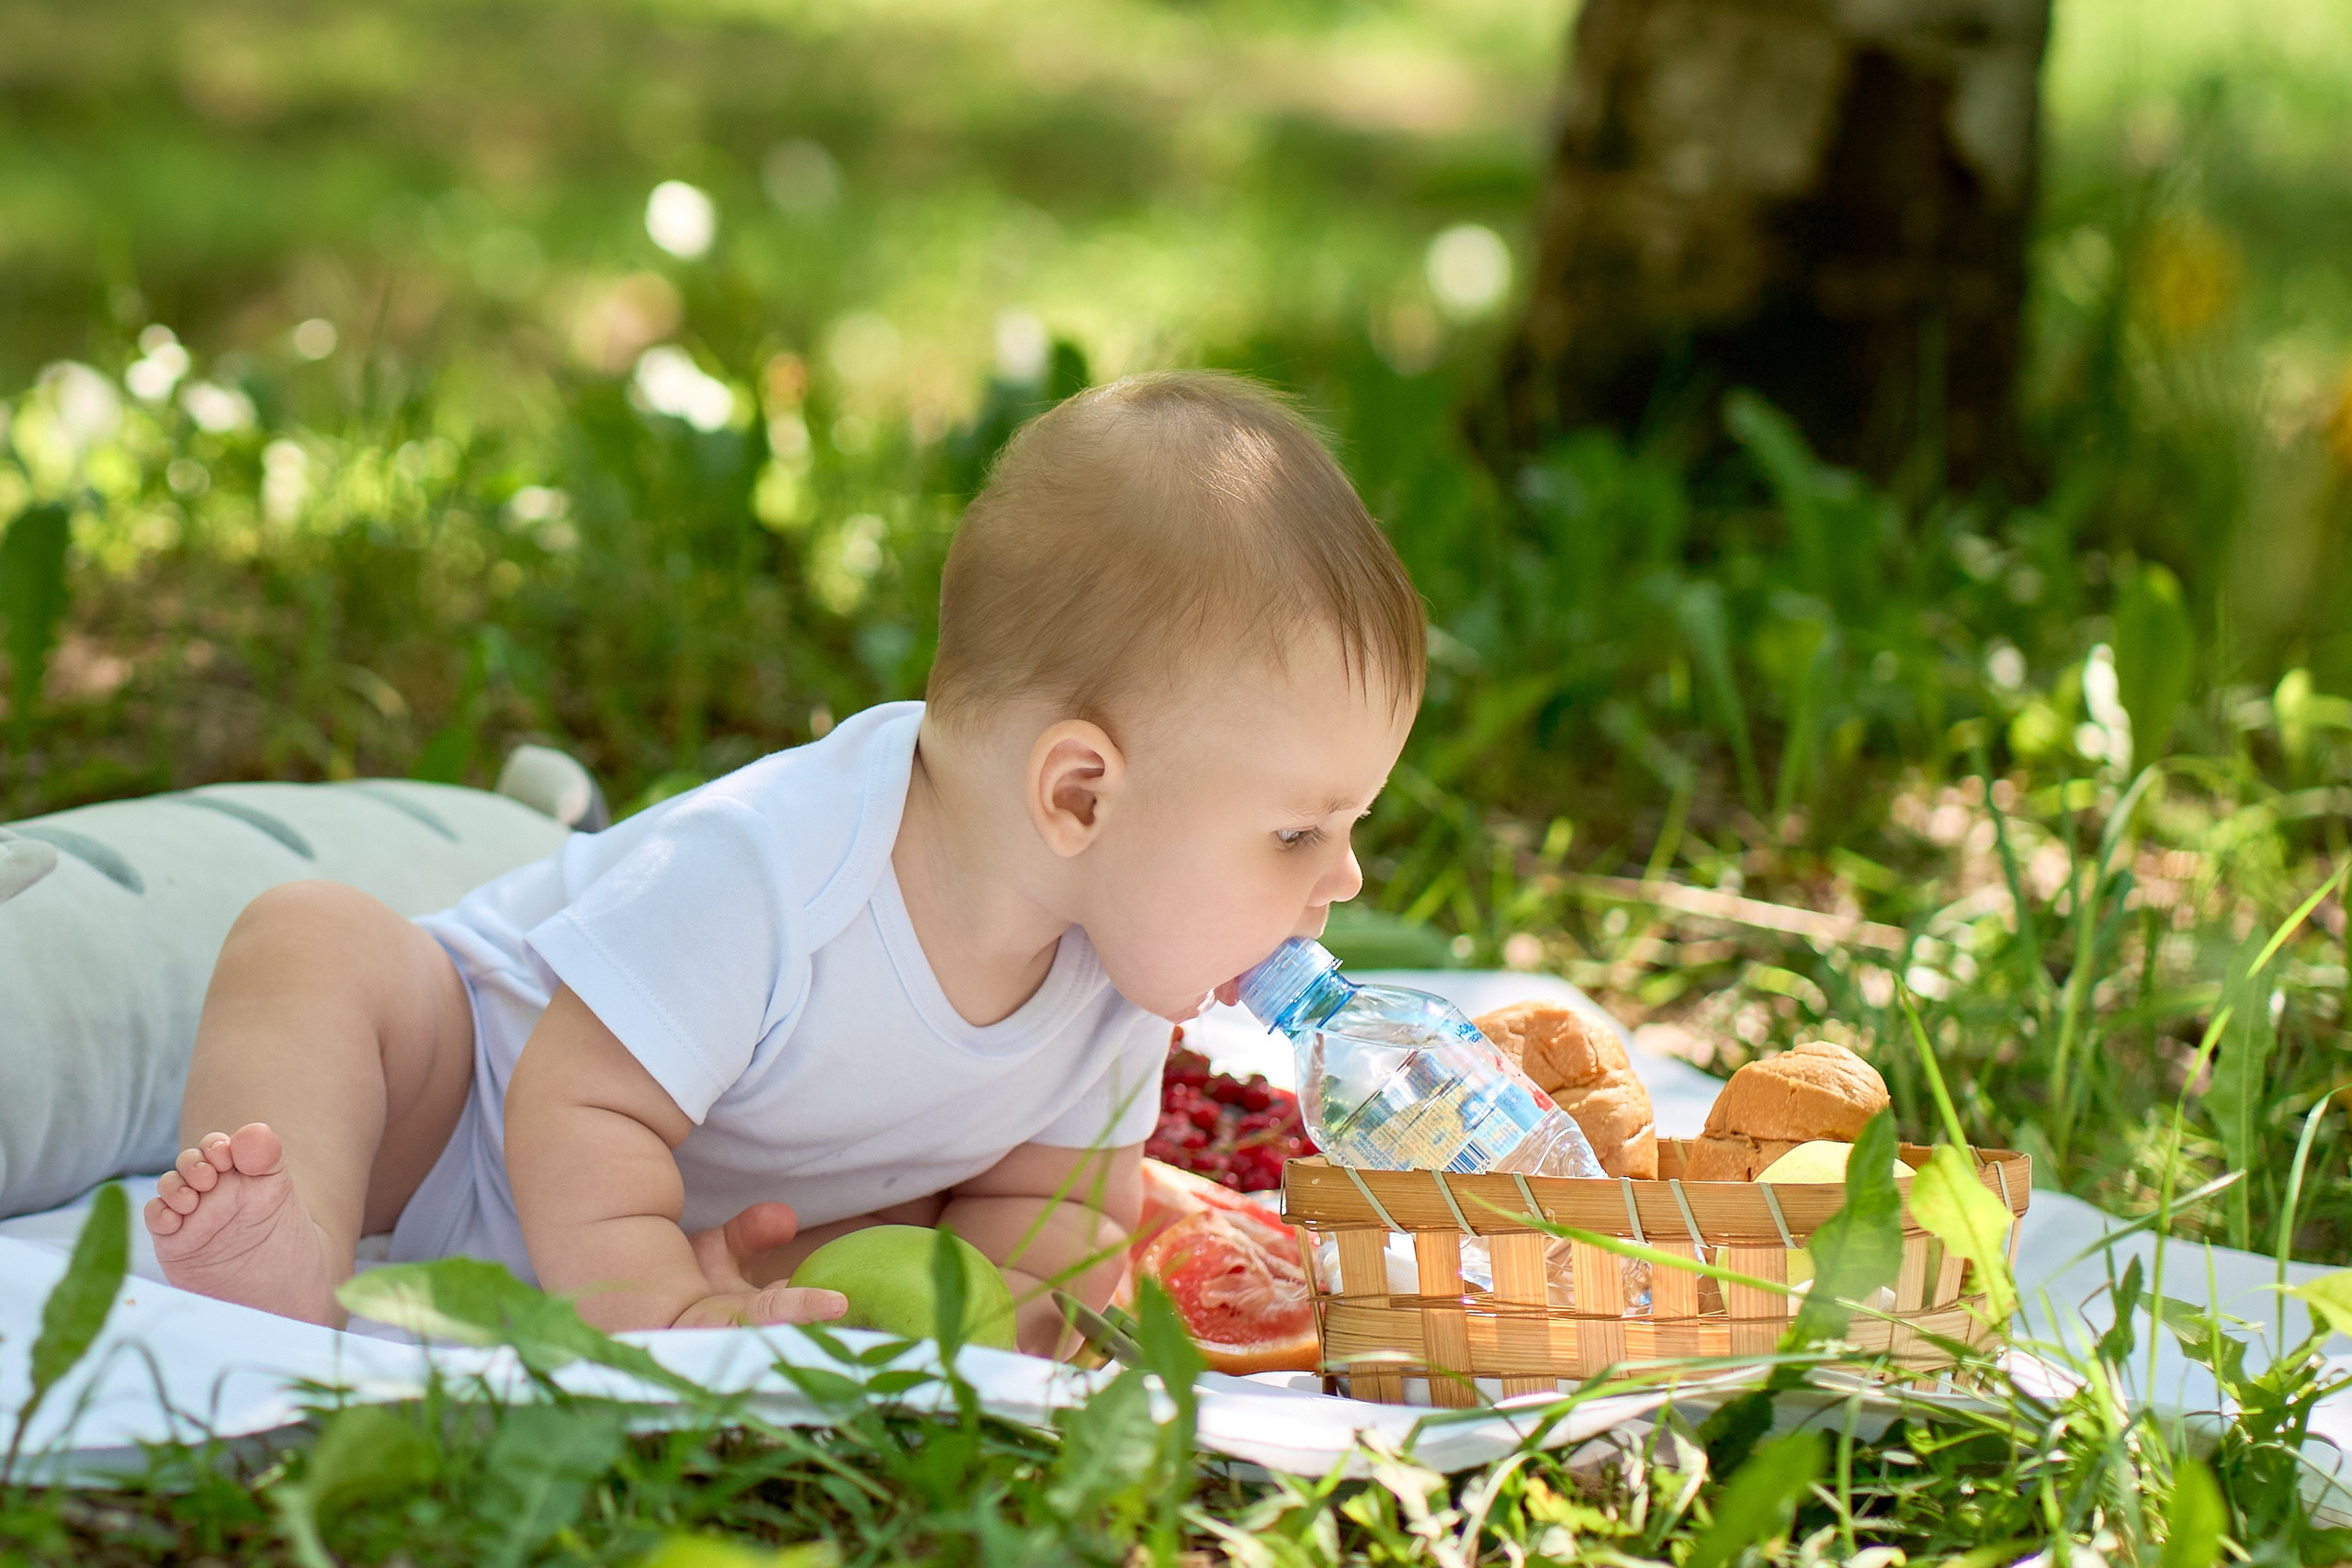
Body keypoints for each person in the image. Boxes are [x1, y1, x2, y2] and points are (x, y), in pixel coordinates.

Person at [142, 370, 1426, 1354]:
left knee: (905, 1225)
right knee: (313, 942)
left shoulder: (1120, 982)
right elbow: (576, 1098)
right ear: (1078, 794)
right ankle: (285, 1244)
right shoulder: (771, 869)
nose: (1345, 878)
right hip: (461, 1107)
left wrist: (1000, 1332)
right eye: (1298, 831)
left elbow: (1051, 1217)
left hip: (708, 1222)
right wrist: (647, 1308)